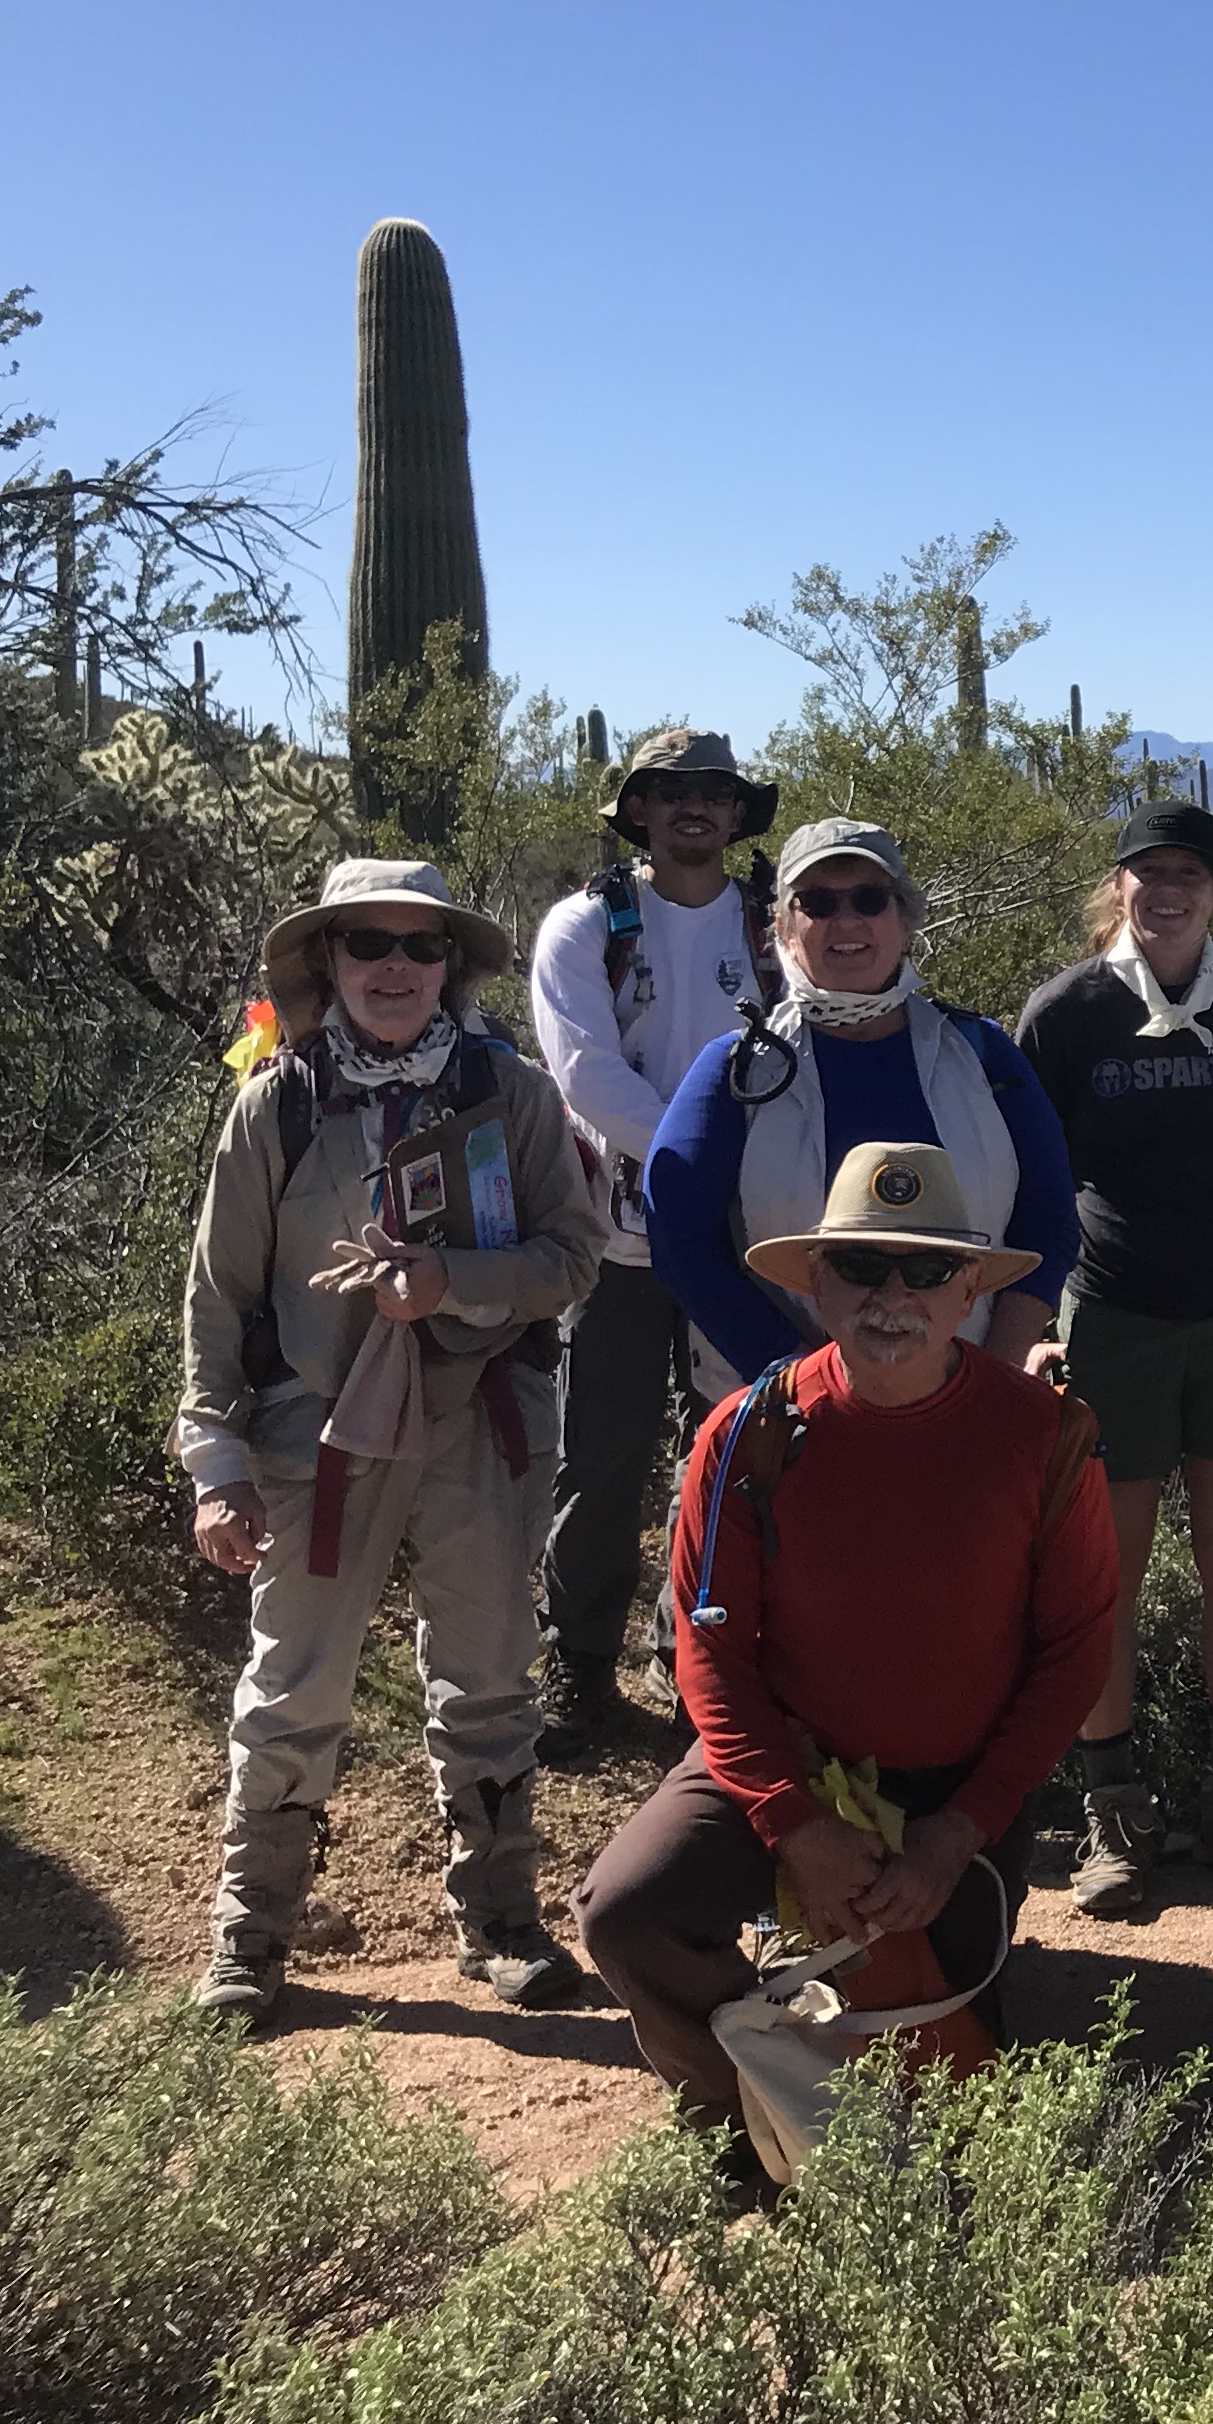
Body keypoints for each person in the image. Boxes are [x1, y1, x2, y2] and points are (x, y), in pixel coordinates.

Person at [575, 1142, 1114, 2202]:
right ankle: (741, 2122)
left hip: (957, 1789)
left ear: (972, 1288)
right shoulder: (746, 1437)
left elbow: (1076, 1651)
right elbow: (710, 1656)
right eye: (863, 1268)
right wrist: (795, 1824)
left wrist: (961, 1830)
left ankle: (838, 2030)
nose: (893, 1295)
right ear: (815, 1283)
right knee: (628, 1911)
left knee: (953, 2093)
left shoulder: (1044, 1435)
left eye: (924, 1269)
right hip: (792, 1761)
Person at [178, 858, 607, 2027]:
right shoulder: (279, 1102)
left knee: (489, 1669)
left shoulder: (508, 1093)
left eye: (422, 949)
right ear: (330, 961)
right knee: (294, 1681)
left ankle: (500, 1921)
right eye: (369, 943)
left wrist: (451, 1286)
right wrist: (214, 1462)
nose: (396, 968)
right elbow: (220, 1296)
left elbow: (573, 1255)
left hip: (482, 1423)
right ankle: (251, 1935)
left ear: (452, 968)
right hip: (313, 1438)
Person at [1016, 801, 1213, 1918]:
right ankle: (1114, 1807)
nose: (1168, 890)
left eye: (1189, 872)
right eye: (1148, 872)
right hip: (1116, 1318)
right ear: (1121, 886)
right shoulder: (1068, 1013)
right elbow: (1035, 1182)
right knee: (1109, 1570)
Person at [525, 727, 781, 1760]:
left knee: (731, 1454)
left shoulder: (774, 923)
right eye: (671, 790)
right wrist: (696, 1158)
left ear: (734, 813)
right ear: (636, 808)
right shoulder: (588, 926)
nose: (695, 807)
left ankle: (700, 1668)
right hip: (622, 1239)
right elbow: (584, 1076)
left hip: (745, 1236)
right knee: (606, 1455)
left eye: (714, 792)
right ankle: (578, 1664)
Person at [646, 815, 1078, 1396]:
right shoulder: (735, 1072)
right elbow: (680, 1241)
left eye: (870, 898)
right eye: (817, 902)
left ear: (905, 919)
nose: (845, 920)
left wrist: (990, 1379)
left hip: (969, 1397)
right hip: (788, 1413)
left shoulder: (982, 1054)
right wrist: (806, 1382)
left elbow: (1048, 1219)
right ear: (783, 925)